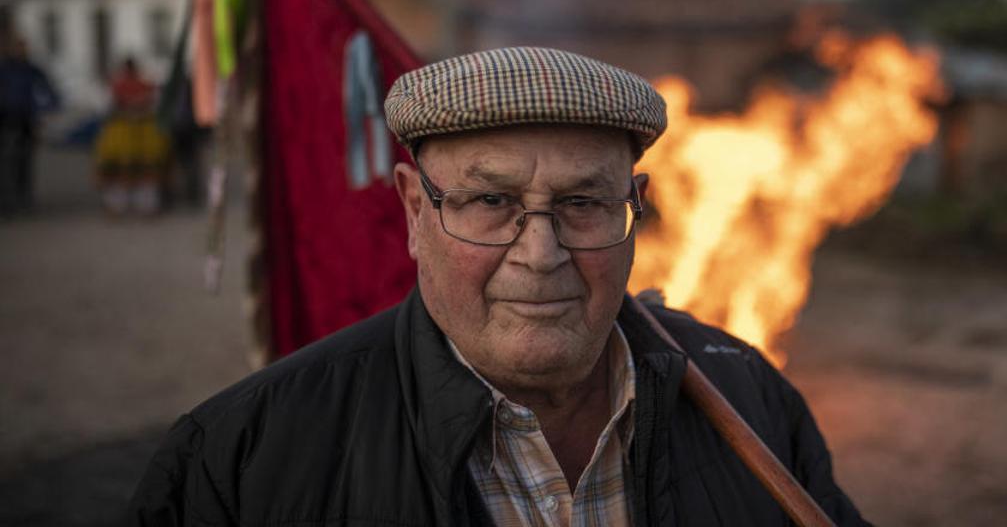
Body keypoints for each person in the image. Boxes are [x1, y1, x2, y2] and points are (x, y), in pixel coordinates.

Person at [128, 46, 871, 526]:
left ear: (637, 207)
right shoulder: (243, 457)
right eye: (491, 203)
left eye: (583, 204)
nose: (540, 253)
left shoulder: (752, 397)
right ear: (416, 211)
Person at [94, 57, 170, 215]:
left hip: (139, 135)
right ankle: (120, 207)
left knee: (146, 174)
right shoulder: (121, 86)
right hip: (125, 135)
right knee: (120, 173)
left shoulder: (142, 86)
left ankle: (140, 206)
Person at [0, 34, 60, 214]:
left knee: (25, 160)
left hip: (26, 120)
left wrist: (46, 109)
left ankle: (22, 197)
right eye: (17, 47)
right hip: (6, 120)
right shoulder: (5, 70)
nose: (21, 51)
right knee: (7, 161)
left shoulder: (31, 70)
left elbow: (49, 93)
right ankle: (8, 200)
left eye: (23, 47)